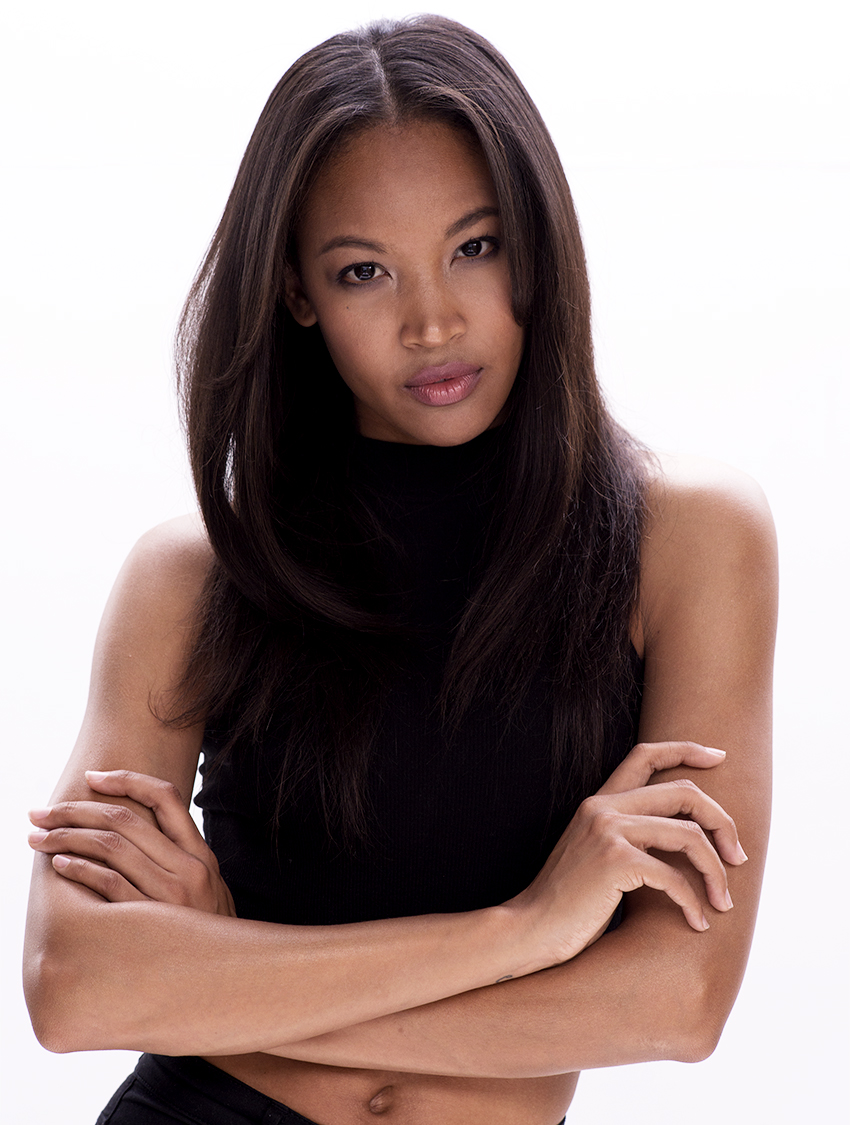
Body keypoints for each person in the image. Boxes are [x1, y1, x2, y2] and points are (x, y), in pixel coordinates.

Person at [23, 15, 776, 1125]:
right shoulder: (196, 573)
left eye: (476, 247)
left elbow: (675, 1002)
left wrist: (222, 971)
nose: (433, 323)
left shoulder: (684, 536)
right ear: (296, 294)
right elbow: (73, 989)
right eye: (364, 270)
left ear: (538, 244)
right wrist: (526, 931)